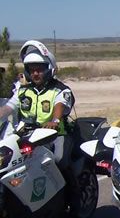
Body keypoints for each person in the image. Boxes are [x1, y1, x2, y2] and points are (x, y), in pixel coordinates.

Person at [0, 40, 83, 211]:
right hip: (26, 137)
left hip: (56, 135)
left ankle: (75, 197)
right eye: (32, 69)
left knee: (59, 161)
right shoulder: (23, 91)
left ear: (49, 68)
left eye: (39, 68)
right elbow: (9, 107)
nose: (35, 73)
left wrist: (55, 121)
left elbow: (61, 105)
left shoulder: (60, 89)